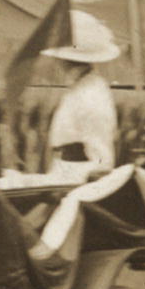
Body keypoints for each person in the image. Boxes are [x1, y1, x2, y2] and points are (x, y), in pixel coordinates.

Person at [41, 11, 123, 181]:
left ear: (64, 60)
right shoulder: (79, 88)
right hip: (59, 177)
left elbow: (102, 164)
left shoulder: (91, 96)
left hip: (75, 186)